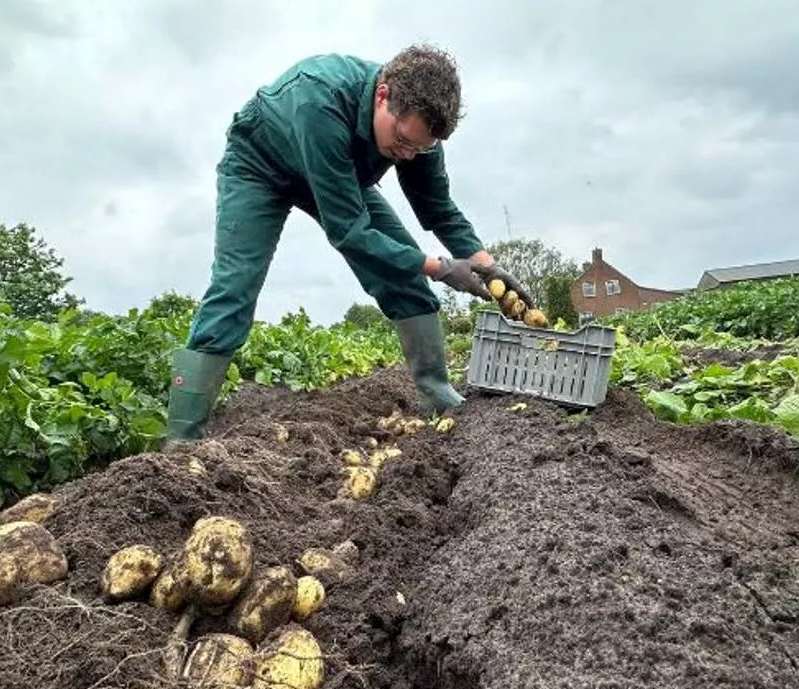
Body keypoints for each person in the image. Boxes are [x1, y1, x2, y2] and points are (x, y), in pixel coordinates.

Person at [164, 43, 531, 443]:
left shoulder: (422, 134)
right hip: (260, 164)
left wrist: (487, 265)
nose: (408, 155)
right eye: (403, 140)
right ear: (383, 95)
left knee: (403, 274)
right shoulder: (319, 100)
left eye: (419, 148)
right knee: (236, 286)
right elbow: (350, 233)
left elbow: (439, 208)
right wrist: (442, 268)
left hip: (339, 174)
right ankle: (182, 438)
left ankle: (435, 392)